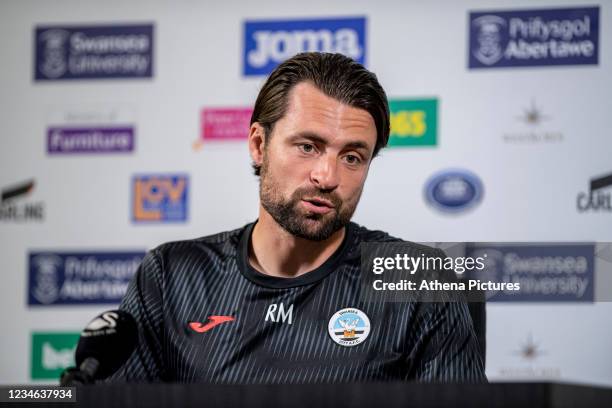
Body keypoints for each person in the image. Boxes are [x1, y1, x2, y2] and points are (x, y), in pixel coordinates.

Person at [109, 52, 486, 383]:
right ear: (259, 144)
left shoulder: (419, 280)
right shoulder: (172, 275)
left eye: (352, 157)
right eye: (308, 147)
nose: (328, 177)